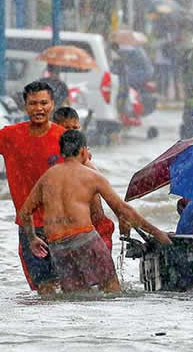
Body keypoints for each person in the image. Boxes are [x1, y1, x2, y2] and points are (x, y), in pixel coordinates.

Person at [18, 129, 172, 294]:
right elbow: (123, 210)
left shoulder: (47, 177)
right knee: (112, 289)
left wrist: (32, 238)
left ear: (62, 152)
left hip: (58, 246)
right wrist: (157, 233)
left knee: (75, 296)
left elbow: (24, 213)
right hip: (85, 239)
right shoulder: (92, 176)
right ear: (83, 150)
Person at [0, 81, 66, 294]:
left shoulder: (64, 138)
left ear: (53, 104)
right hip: (29, 227)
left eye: (44, 103)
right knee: (44, 290)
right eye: (33, 103)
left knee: (68, 288)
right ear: (25, 106)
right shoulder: (9, 136)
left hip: (62, 224)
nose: (39, 108)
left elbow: (83, 176)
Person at [52, 107, 120, 251]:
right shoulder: (54, 158)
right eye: (66, 128)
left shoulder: (83, 157)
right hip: (74, 231)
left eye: (74, 128)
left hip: (96, 228)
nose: (71, 132)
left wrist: (121, 213)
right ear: (54, 129)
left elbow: (102, 186)